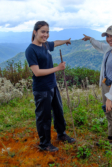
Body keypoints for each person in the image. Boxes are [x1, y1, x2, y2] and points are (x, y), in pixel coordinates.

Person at [25, 21, 76, 152]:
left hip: (52, 85)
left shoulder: (45, 45)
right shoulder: (31, 50)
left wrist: (65, 41)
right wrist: (57, 68)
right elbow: (37, 72)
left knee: (58, 111)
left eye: (47, 32)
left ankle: (61, 134)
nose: (46, 35)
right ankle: (45, 144)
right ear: (35, 32)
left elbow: (55, 42)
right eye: (43, 31)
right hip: (42, 89)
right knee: (44, 116)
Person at [82, 25, 112, 154]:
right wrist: (90, 39)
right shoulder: (110, 49)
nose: (109, 39)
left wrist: (110, 96)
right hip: (105, 86)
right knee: (108, 113)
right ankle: (111, 139)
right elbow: (99, 46)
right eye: (107, 36)